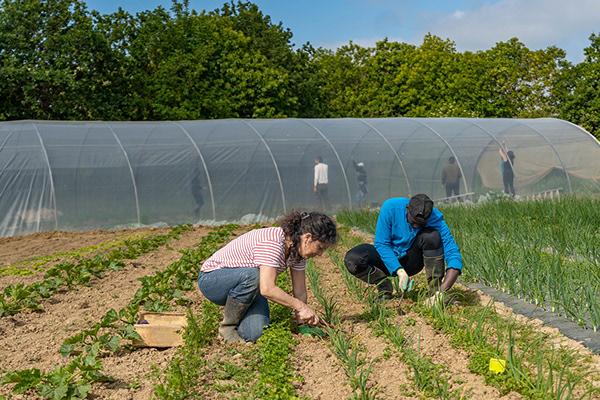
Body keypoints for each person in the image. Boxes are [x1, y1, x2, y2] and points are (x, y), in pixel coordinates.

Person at [198, 211, 337, 343]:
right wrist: (301, 307)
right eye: (320, 247)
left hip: (250, 288)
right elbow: (267, 289)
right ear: (307, 238)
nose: (320, 254)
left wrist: (302, 322)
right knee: (253, 275)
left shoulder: (297, 253)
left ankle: (238, 316)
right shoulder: (273, 241)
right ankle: (227, 327)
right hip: (212, 280)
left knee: (255, 333)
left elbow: (299, 290)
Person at [343, 194, 462, 305]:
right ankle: (384, 286)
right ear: (407, 209)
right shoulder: (391, 207)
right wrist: (399, 271)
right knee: (353, 259)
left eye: (420, 224)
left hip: (411, 261)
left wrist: (442, 291)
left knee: (432, 236)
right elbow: (381, 244)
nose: (415, 226)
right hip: (386, 260)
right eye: (413, 222)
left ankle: (434, 293)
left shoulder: (434, 218)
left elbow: (453, 253)